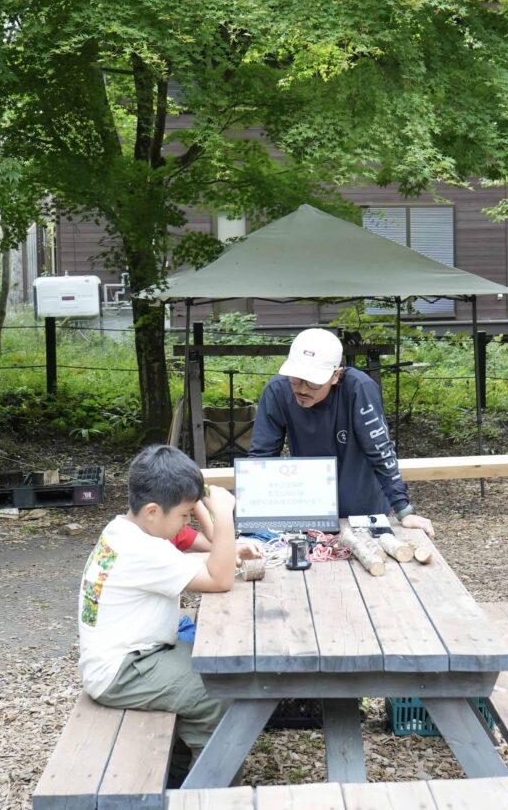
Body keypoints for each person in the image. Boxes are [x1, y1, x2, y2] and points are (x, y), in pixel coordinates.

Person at [77, 444, 237, 766]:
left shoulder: (122, 531)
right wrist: (223, 514)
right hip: (122, 672)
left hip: (125, 657)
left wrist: (229, 551)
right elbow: (220, 580)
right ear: (152, 511)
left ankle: (180, 770)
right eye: (183, 514)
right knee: (218, 692)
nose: (186, 522)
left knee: (214, 666)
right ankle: (210, 785)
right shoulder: (145, 549)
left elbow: (195, 564)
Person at [250, 328, 435, 536]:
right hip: (310, 505)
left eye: (313, 381)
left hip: (363, 507)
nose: (302, 389)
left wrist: (404, 509)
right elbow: (262, 456)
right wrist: (253, 520)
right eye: (296, 379)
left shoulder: (359, 388)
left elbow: (381, 451)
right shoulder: (277, 390)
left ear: (336, 375)